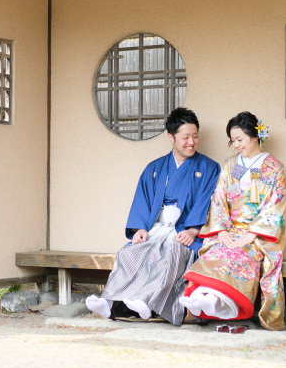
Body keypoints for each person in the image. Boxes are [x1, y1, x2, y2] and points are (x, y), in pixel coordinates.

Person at [86, 108, 220, 325]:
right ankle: (108, 301)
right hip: (156, 228)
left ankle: (147, 303)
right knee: (128, 252)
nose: (192, 142)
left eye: (195, 136)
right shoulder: (155, 168)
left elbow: (209, 202)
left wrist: (194, 230)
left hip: (185, 231)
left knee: (172, 252)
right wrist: (140, 229)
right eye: (185, 137)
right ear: (171, 137)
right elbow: (143, 200)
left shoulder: (209, 168)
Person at [181, 112, 286, 330]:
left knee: (240, 255)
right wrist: (221, 230)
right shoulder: (231, 166)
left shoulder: (274, 167)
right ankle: (203, 300)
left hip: (257, 234)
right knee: (216, 252)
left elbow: (277, 205)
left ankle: (215, 302)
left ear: (254, 135)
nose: (236, 145)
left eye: (240, 139)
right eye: (233, 140)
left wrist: (251, 234)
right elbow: (218, 198)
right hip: (229, 230)